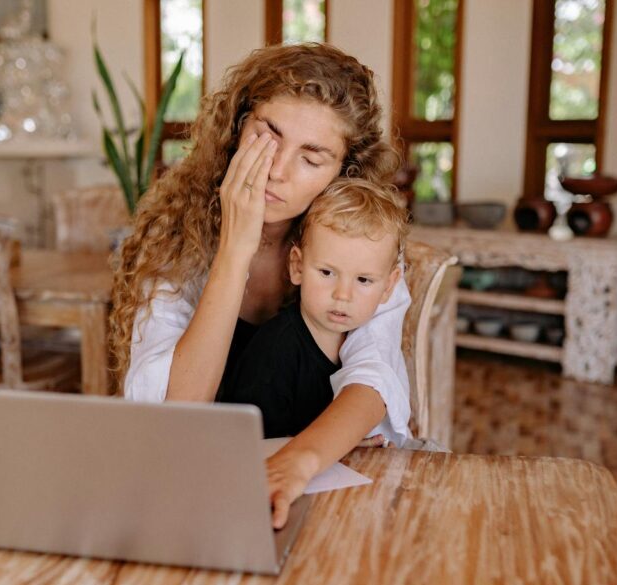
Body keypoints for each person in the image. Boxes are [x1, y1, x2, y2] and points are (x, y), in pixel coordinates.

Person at [108, 43, 411, 528]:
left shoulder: (358, 248)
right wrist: (235, 246)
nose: (276, 170)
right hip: (196, 482)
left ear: (342, 173)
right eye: (266, 138)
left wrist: (299, 462)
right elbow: (171, 412)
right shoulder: (172, 237)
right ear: (236, 128)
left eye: (312, 159)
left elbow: (373, 379)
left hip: (317, 475)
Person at [217, 178, 408, 441]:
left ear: (388, 286)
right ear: (297, 267)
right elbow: (249, 448)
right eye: (327, 272)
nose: (343, 294)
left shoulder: (365, 342)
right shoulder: (274, 353)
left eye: (363, 280)